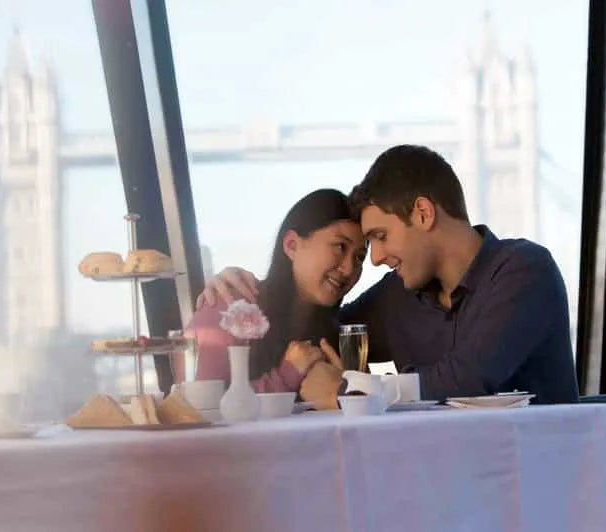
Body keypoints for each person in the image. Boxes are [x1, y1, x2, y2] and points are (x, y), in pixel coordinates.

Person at [198, 145, 580, 406]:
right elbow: (318, 338)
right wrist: (242, 295)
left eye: (379, 238)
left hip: (542, 488)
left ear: (423, 214)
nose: (375, 259)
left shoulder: (524, 271)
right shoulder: (397, 295)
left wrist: (355, 392)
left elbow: (471, 377)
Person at [184, 189, 365, 405]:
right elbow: (200, 408)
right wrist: (286, 376)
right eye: (340, 247)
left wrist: (345, 391)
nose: (349, 268)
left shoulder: (339, 336)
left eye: (360, 257)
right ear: (292, 245)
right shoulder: (228, 307)